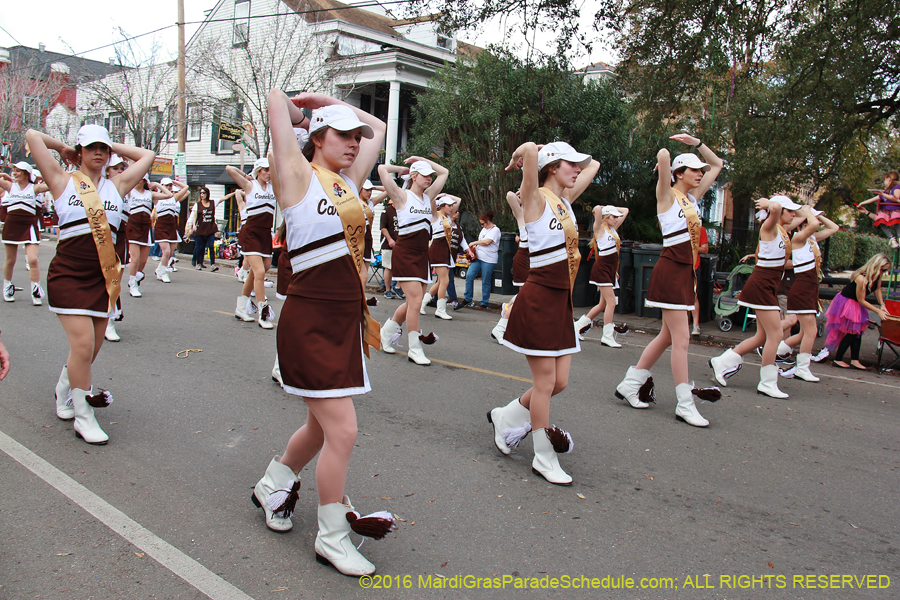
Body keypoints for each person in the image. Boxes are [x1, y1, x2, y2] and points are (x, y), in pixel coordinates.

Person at [254, 89, 395, 577]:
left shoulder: (347, 183)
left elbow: (376, 123)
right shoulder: (295, 174)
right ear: (316, 138)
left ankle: (273, 482)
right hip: (309, 320)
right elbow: (274, 100)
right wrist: (306, 107)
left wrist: (330, 101)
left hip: (344, 322)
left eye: (356, 138)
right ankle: (332, 537)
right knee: (343, 429)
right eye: (342, 135)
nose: (356, 142)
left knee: (320, 427)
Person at [26, 124, 155, 444]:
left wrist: (112, 144)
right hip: (68, 277)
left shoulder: (118, 185)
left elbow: (148, 155)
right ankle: (84, 415)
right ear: (80, 151)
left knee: (90, 350)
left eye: (103, 148)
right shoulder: (60, 180)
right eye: (91, 147)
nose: (98, 152)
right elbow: (31, 136)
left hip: (101, 280)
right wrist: (64, 149)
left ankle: (64, 387)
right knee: (83, 346)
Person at [488, 141, 599, 485]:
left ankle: (506, 415)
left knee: (558, 382)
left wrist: (578, 159)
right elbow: (531, 154)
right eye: (570, 164)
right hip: (538, 298)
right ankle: (543, 455)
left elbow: (593, 164)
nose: (577, 169)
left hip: (561, 302)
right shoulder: (534, 198)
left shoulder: (565, 201)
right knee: (545, 382)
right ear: (552, 166)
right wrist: (518, 155)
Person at [615, 134, 723, 426]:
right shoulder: (666, 195)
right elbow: (663, 153)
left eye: (701, 170)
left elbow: (718, 163)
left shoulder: (692, 199)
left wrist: (697, 143)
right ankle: (685, 404)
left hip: (685, 271)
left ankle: (629, 384)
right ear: (678, 174)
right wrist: (667, 156)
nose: (701, 173)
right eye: (694, 169)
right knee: (682, 339)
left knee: (666, 336)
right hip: (671, 268)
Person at [709, 195, 804, 398]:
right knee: (776, 335)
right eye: (790, 211)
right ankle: (767, 382)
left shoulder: (784, 230)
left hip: (768, 285)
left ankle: (723, 361)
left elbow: (807, 218)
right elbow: (777, 208)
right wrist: (771, 204)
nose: (794, 215)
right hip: (761, 285)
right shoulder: (768, 228)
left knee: (762, 336)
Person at [378, 157, 449, 366]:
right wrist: (403, 169)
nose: (429, 178)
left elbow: (443, 172)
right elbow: (382, 169)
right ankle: (414, 348)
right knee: (417, 302)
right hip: (405, 252)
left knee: (411, 303)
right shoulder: (401, 196)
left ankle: (386, 332)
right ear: (415, 177)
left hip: (421, 255)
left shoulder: (428, 197)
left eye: (429, 175)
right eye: (425, 175)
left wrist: (423, 160)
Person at [776, 209, 839, 374]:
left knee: (805, 331)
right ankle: (801, 368)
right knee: (809, 330)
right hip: (801, 286)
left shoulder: (811, 239)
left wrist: (818, 215)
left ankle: (776, 351)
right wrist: (806, 213)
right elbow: (814, 224)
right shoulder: (797, 238)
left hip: (810, 287)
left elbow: (834, 228)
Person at [227, 158, 276, 328]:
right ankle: (263, 313)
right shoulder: (250, 186)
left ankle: (241, 308)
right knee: (260, 271)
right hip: (251, 233)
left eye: (270, 169)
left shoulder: (273, 187)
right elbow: (229, 168)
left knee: (259, 271)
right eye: (265, 170)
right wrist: (246, 176)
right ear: (258, 171)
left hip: (265, 234)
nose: (269, 173)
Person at [574, 205, 630, 347]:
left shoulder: (612, 229)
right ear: (605, 217)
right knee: (611, 303)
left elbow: (626, 210)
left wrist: (611, 209)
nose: (616, 218)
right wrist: (602, 208)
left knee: (602, 304)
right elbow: (597, 209)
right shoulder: (599, 229)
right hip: (602, 268)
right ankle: (607, 336)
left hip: (611, 269)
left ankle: (577, 327)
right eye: (613, 216)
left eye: (616, 217)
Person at [825, 253, 891, 370]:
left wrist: (882, 304)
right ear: (875, 266)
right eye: (882, 269)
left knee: (857, 332)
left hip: (856, 303)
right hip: (848, 302)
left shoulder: (877, 276)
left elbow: (878, 289)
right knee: (851, 332)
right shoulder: (861, 278)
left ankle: (855, 360)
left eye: (884, 270)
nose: (882, 272)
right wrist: (877, 311)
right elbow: (861, 300)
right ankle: (838, 359)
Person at [1, 161, 49, 304]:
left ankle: (36, 290)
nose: (14, 173)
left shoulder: (34, 188)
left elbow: (53, 183)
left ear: (26, 173)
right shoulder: (10, 186)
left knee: (33, 259)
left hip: (29, 225)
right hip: (12, 225)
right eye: (14, 170)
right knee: (10, 260)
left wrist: (44, 177)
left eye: (18, 171)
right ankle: (7, 286)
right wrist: (3, 174)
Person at [126, 175, 171, 297]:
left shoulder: (149, 194)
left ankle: (136, 277)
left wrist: (156, 185)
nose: (136, 181)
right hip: (132, 226)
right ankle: (133, 284)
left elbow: (168, 195)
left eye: (139, 178)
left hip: (145, 227)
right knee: (135, 259)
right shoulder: (129, 191)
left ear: (144, 181)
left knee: (143, 260)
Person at [490, 191, 526, 343]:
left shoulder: (544, 213)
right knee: (526, 296)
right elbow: (510, 195)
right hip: (525, 259)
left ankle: (507, 308)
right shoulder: (523, 215)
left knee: (527, 296)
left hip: (537, 260)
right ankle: (500, 328)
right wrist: (524, 192)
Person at [421, 194, 462, 319]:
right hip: (437, 249)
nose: (451, 208)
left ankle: (422, 303)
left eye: (451, 206)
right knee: (445, 280)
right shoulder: (435, 215)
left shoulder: (448, 217)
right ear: (442, 206)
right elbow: (431, 198)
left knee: (440, 282)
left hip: (446, 250)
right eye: (448, 205)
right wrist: (439, 195)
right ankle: (440, 309)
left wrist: (446, 195)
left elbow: (458, 200)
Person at [104, 155, 129, 342]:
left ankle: (108, 320)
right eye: (116, 168)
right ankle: (101, 318)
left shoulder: (126, 189)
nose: (120, 171)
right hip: (100, 237)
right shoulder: (96, 187)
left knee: (115, 282)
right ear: (106, 170)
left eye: (122, 168)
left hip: (120, 236)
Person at [457, 210, 501, 309]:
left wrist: (474, 242)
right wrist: (474, 249)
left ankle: (484, 302)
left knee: (485, 280)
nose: (482, 226)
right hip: (478, 257)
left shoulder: (495, 230)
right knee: (469, 276)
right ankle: (468, 298)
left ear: (488, 221)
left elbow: (487, 242)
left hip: (489, 259)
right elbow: (482, 242)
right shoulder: (484, 230)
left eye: (482, 223)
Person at [187, 187, 235, 271]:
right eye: (201, 193)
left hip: (210, 229)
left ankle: (213, 264)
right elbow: (194, 216)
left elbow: (224, 198)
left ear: (207, 194)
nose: (202, 195)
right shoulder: (197, 204)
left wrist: (234, 193)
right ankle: (198, 263)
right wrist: (193, 225)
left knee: (211, 246)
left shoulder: (212, 202)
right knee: (200, 247)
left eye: (204, 193)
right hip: (200, 229)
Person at [154, 178, 189, 283]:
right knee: (166, 251)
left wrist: (174, 182)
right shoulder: (156, 197)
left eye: (170, 185)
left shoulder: (174, 198)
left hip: (172, 227)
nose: (169, 187)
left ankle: (159, 269)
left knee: (169, 253)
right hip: (161, 227)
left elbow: (186, 188)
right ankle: (164, 273)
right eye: (166, 185)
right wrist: (158, 185)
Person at [857, 171, 900, 248]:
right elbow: (875, 198)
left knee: (896, 219)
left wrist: (883, 194)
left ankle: (899, 237)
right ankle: (892, 238)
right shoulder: (885, 192)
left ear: (889, 179)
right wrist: (862, 203)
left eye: (884, 180)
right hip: (886, 211)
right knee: (881, 220)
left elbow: (895, 198)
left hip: (895, 210)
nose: (884, 182)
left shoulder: (896, 187)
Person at [379, 199, 404, 299]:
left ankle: (397, 286)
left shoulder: (402, 211)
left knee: (403, 266)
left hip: (401, 244)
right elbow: (383, 228)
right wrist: (389, 240)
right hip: (388, 244)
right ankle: (387, 290)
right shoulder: (386, 211)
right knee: (388, 267)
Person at [691, 225, 710, 335]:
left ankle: (695, 325)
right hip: (680, 265)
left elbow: (705, 249)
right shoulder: (678, 227)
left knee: (694, 295)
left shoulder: (699, 229)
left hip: (694, 266)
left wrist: (692, 248)